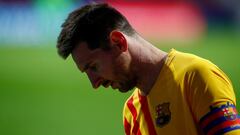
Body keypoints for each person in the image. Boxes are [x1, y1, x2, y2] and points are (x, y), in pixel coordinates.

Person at [56, 3, 240, 135]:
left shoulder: (195, 76)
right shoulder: (131, 113)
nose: (94, 83)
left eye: (93, 67)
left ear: (119, 42)